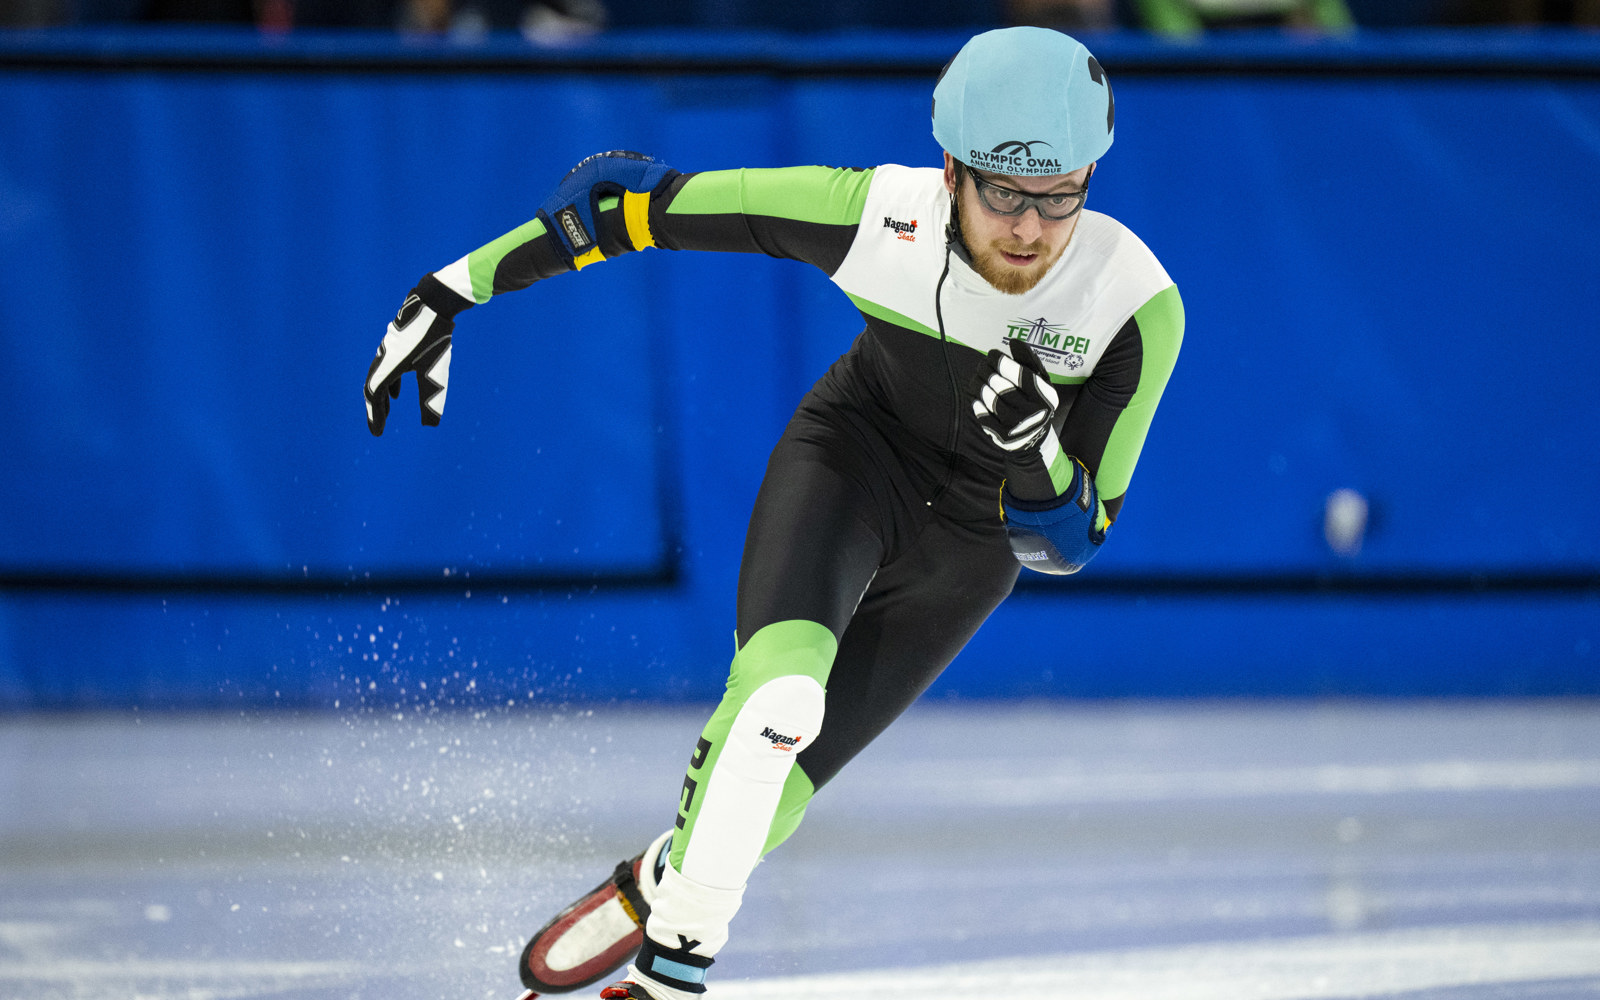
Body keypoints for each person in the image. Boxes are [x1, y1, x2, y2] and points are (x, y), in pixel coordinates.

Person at [363, 26, 1183, 1000]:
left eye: (1060, 196)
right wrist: (452, 289)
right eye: (1004, 192)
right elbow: (629, 206)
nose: (1030, 229)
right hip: (855, 459)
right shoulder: (877, 216)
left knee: (774, 796)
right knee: (775, 703)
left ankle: (674, 870)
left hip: (976, 544)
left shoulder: (1135, 305)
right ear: (950, 169)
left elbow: (1068, 544)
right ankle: (673, 977)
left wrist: (1037, 453)